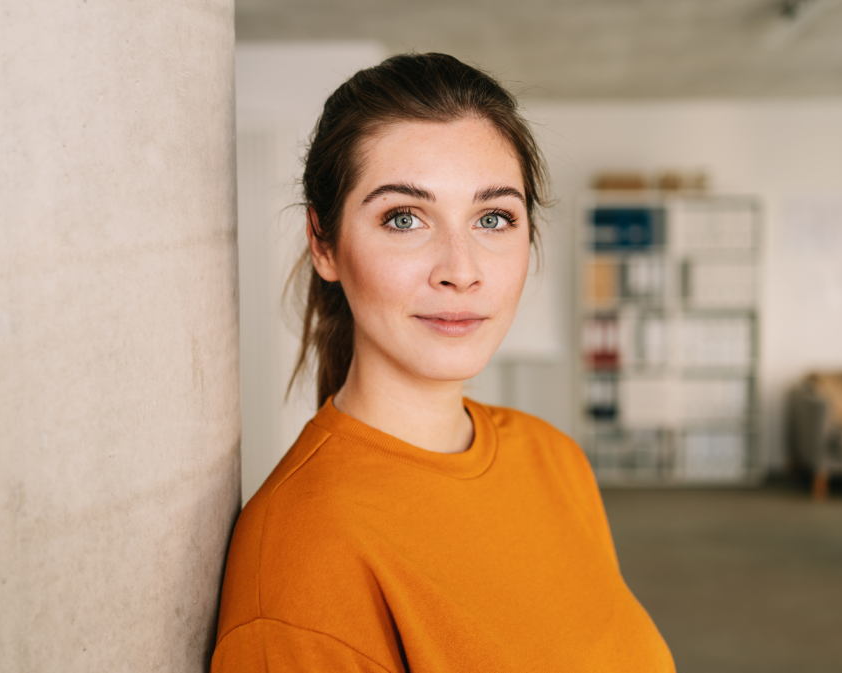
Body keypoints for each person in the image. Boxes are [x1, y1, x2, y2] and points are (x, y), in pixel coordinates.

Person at [211, 53, 674, 672]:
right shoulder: (302, 550)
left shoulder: (554, 459)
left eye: (493, 218)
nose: (461, 269)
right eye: (404, 218)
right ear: (324, 243)